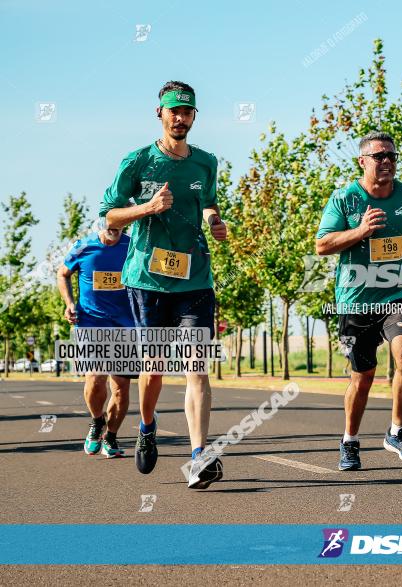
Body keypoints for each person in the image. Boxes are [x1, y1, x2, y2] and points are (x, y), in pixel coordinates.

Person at [99, 81, 228, 489]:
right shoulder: (137, 161)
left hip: (194, 278)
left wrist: (213, 221)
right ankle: (147, 426)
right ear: (160, 113)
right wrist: (148, 207)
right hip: (148, 280)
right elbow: (110, 217)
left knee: (196, 367)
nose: (180, 117)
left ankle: (198, 456)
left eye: (187, 111)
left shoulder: (206, 162)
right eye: (173, 110)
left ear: (194, 116)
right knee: (154, 370)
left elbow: (208, 201)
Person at [316, 130, 402, 471]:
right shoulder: (345, 199)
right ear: (362, 161)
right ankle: (349, 441)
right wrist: (361, 231)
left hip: (397, 294)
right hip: (355, 300)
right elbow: (322, 245)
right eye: (380, 156)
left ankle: (397, 431)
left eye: (392, 156)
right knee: (363, 377)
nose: (387, 162)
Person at [57, 222, 134, 458]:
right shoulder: (83, 246)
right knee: (96, 378)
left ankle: (111, 437)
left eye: (121, 223)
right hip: (91, 322)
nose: (116, 227)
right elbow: (62, 273)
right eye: (111, 222)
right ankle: (97, 421)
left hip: (125, 325)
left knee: (120, 387)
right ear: (103, 220)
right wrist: (69, 303)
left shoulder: (133, 246)